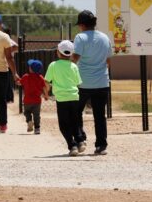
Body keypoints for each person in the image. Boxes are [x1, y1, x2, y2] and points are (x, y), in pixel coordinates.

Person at [72, 10, 113, 156]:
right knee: (100, 115)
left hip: (82, 82)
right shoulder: (104, 37)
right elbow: (108, 61)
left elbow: (75, 58)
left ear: (82, 25)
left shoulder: (80, 37)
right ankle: (101, 145)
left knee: (76, 112)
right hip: (102, 81)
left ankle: (80, 139)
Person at [45, 40, 87, 156]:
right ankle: (80, 141)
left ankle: (72, 145)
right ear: (71, 54)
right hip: (74, 97)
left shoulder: (53, 65)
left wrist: (46, 93)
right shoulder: (74, 66)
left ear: (58, 52)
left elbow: (47, 81)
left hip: (61, 99)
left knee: (64, 124)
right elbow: (78, 82)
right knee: (75, 121)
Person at [18, 59, 48, 135]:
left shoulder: (25, 76)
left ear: (31, 69)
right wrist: (46, 95)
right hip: (37, 101)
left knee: (26, 112)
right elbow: (44, 87)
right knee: (36, 115)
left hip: (27, 100)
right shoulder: (41, 78)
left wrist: (17, 80)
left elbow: (19, 83)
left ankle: (29, 121)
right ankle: (37, 128)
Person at [3, 27, 17, 103]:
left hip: (7, 63)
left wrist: (7, 51)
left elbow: (16, 47)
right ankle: (9, 98)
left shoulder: (7, 40)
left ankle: (9, 98)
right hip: (8, 63)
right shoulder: (9, 40)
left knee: (7, 83)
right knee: (8, 82)